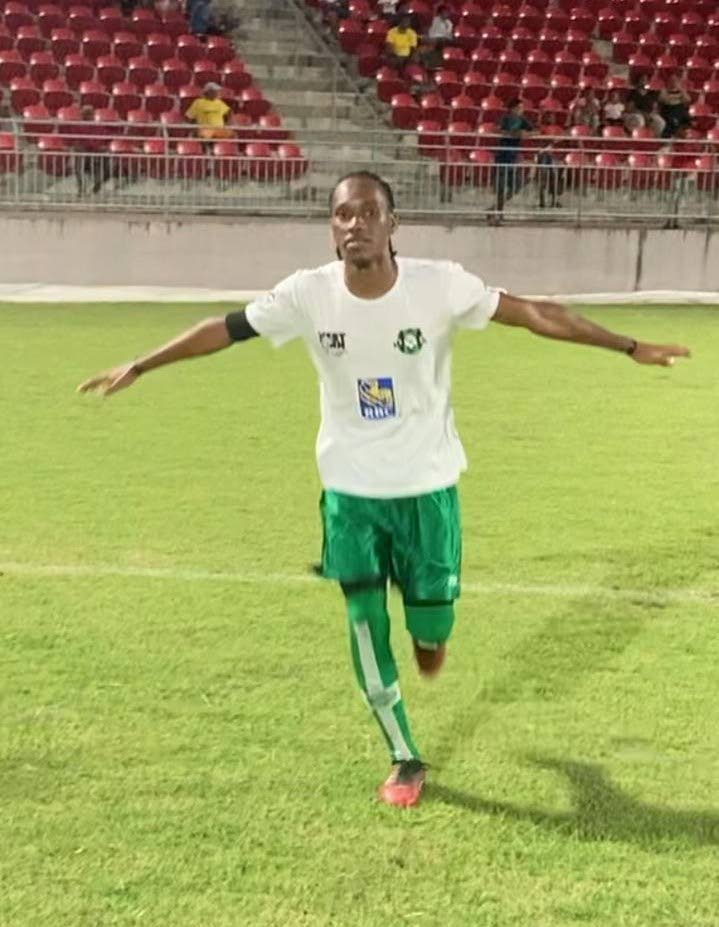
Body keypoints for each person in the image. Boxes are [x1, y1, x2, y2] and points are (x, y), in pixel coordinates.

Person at [77, 171, 690, 809]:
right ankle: (404, 755)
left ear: (393, 224)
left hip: (427, 492)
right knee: (364, 621)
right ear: (331, 227)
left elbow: (535, 314)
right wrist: (141, 365)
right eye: (343, 214)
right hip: (350, 495)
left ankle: (429, 633)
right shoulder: (307, 294)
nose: (355, 225)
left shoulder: (440, 285)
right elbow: (224, 329)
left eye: (369, 213)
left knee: (430, 630)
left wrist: (629, 345)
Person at [494, 98, 534, 220]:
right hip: (502, 155)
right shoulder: (505, 118)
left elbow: (535, 130)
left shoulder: (522, 120)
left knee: (516, 184)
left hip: (513, 156)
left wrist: (526, 134)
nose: (521, 110)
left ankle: (495, 208)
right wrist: (512, 134)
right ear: (512, 109)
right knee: (501, 187)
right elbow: (498, 130)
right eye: (519, 108)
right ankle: (499, 212)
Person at [658, 74, 691, 139]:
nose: (673, 82)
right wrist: (677, 98)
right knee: (673, 118)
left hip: (679, 109)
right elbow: (665, 100)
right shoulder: (664, 91)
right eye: (672, 81)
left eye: (675, 81)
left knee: (682, 112)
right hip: (668, 110)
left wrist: (681, 90)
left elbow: (687, 99)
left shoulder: (681, 91)